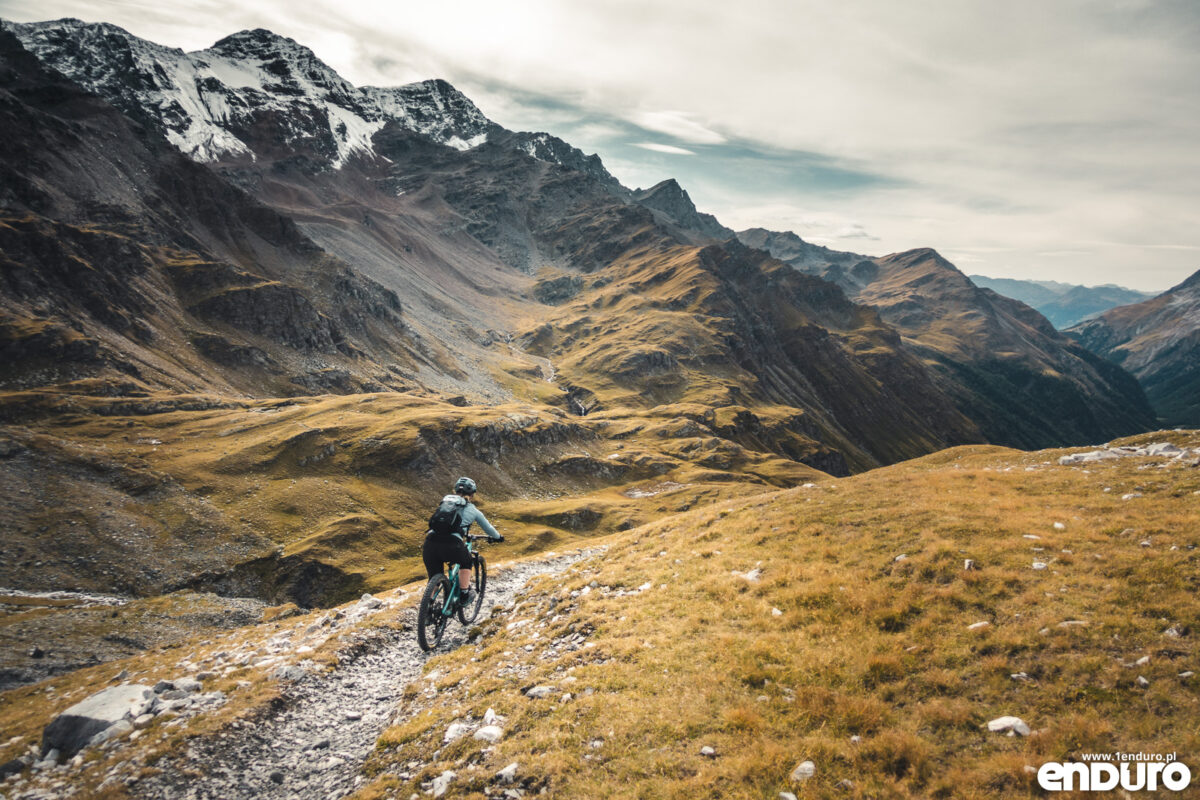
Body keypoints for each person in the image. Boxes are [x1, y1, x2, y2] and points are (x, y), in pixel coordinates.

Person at [422, 477, 503, 606]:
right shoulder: (473, 510)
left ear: (455, 490)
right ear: (472, 494)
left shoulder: (446, 501)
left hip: (430, 542)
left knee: (434, 577)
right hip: (452, 544)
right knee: (466, 561)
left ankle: (427, 609)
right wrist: (498, 537)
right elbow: (488, 528)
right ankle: (464, 594)